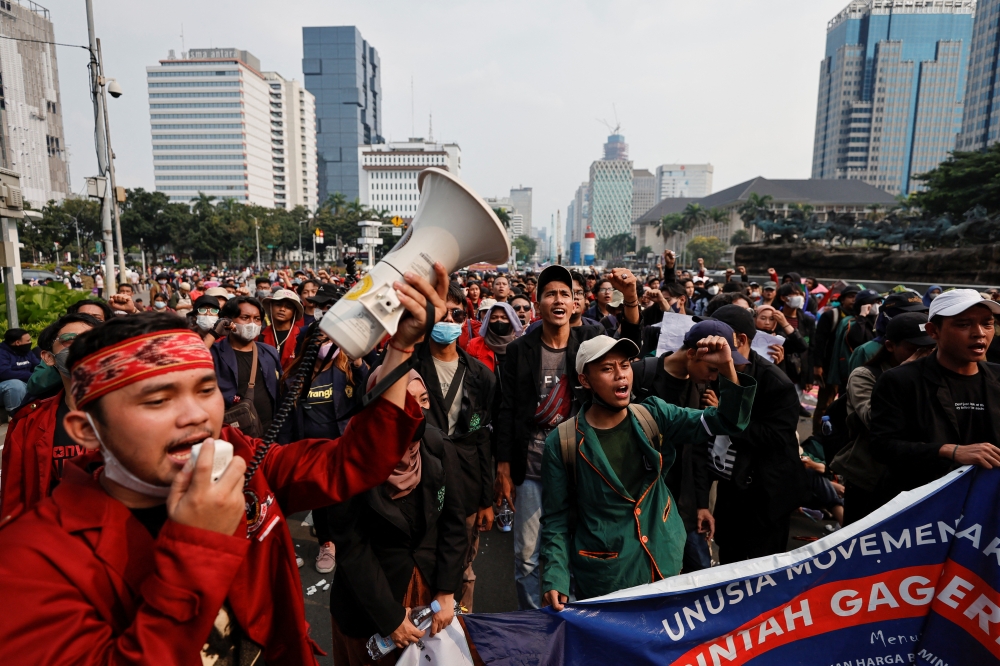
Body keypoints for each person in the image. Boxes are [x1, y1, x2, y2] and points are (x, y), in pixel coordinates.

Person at [0, 264, 444, 665]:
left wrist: (402, 347)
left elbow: (355, 462)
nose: (195, 415)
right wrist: (198, 546)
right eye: (157, 400)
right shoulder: (30, 561)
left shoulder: (241, 458)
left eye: (205, 389)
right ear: (85, 429)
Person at [540, 335, 755, 607]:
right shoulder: (563, 442)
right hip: (608, 579)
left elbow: (728, 421)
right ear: (585, 380)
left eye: (625, 365)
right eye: (607, 369)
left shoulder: (653, 414)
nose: (621, 375)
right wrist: (555, 575)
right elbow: (556, 519)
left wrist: (727, 369)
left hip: (665, 559)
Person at [496, 265, 639, 609]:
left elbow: (634, 340)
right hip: (530, 468)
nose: (558, 300)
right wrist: (502, 468)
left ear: (576, 304)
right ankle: (534, 625)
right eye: (550, 294)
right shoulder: (519, 350)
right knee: (527, 557)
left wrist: (631, 297)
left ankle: (572, 621)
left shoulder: (589, 344)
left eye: (565, 293)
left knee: (578, 549)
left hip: (580, 466)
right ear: (538, 303)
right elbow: (505, 409)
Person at [327, 367, 464, 663]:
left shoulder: (436, 445)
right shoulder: (349, 459)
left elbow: (454, 524)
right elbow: (352, 549)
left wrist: (446, 591)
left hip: (429, 597)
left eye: (423, 400)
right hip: (370, 606)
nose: (416, 411)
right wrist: (389, 616)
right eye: (404, 401)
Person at [412, 282, 496, 613]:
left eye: (456, 313)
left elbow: (484, 438)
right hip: (419, 477)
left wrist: (487, 500)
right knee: (421, 554)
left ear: (466, 319)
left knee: (462, 559)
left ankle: (462, 623)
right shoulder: (407, 367)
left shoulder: (482, 375)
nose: (448, 319)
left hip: (468, 479)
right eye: (440, 312)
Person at [869, 289, 1000, 496]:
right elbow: (882, 446)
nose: (979, 333)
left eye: (987, 323)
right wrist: (949, 451)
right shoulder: (900, 380)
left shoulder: (997, 378)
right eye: (963, 324)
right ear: (933, 331)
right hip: (923, 504)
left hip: (986, 503)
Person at [709, 305, 807, 563]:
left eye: (717, 339)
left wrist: (725, 415)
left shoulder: (775, 382)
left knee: (760, 563)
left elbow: (775, 436)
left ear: (741, 340)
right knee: (728, 552)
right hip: (730, 484)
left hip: (765, 490)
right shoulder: (710, 372)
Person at [833, 312, 936, 524]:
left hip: (918, 477)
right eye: (914, 349)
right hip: (871, 475)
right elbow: (876, 420)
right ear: (890, 346)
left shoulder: (934, 374)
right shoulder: (865, 376)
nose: (924, 355)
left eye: (929, 348)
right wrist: (903, 376)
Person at [280, 327, 368, 575]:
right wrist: (286, 453)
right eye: (320, 339)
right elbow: (286, 422)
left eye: (331, 339)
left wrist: (359, 362)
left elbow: (371, 390)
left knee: (348, 500)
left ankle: (351, 542)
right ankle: (326, 544)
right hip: (313, 454)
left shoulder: (348, 370)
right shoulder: (294, 377)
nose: (326, 344)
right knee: (320, 502)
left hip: (345, 449)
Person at [0, 314, 100, 520]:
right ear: (48, 357)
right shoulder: (27, 424)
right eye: (71, 341)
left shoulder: (141, 417)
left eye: (94, 339)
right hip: (56, 540)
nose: (83, 348)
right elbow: (13, 501)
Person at [211, 296, 281, 434]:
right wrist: (214, 333)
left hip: (269, 431)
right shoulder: (214, 352)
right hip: (234, 433)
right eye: (245, 317)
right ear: (227, 320)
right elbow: (194, 362)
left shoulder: (269, 351)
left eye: (257, 319)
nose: (252, 323)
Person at [813, 285, 859, 431]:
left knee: (846, 404)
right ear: (842, 299)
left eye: (857, 296)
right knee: (824, 404)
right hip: (829, 367)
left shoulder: (861, 318)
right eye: (850, 296)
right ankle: (818, 435)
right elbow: (819, 341)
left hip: (849, 368)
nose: (854, 300)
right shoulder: (831, 315)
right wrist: (818, 365)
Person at [466, 301, 523, 372]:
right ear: (488, 321)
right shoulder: (475, 344)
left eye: (504, 317)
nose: (499, 320)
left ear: (511, 321)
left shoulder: (521, 345)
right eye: (494, 317)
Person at [261, 289, 306, 371]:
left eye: (288, 307)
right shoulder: (259, 335)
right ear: (271, 307)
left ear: (294, 312)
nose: (282, 309)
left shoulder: (302, 336)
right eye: (278, 305)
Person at [0, 329, 40, 413]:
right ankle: (14, 414)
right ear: (17, 343)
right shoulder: (2, 353)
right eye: (28, 340)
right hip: (6, 388)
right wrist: (29, 375)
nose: (30, 342)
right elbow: (4, 373)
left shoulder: (27, 352)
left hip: (24, 385)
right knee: (16, 385)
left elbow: (37, 365)